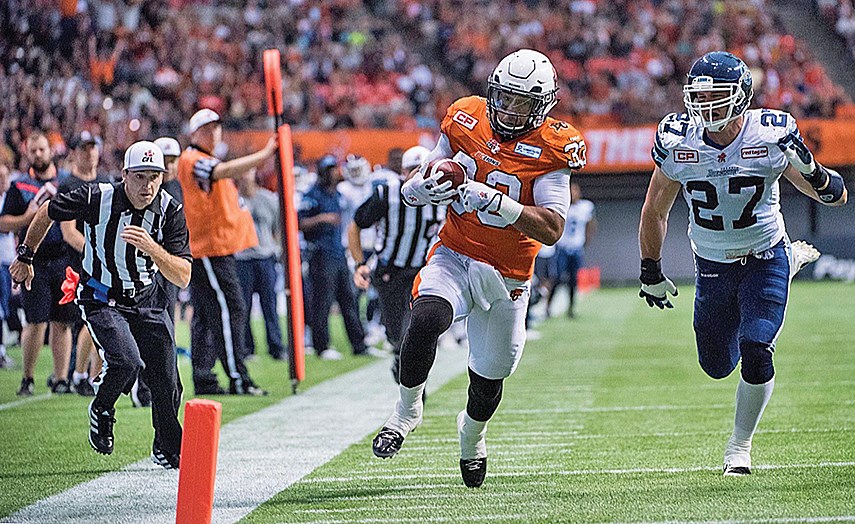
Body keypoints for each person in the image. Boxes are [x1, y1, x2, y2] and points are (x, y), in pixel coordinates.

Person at [371, 49, 587, 488]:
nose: (508, 109)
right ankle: (406, 412)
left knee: (490, 377)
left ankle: (472, 435)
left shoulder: (553, 147)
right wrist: (419, 190)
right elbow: (431, 170)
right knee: (427, 317)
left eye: (521, 103)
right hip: (454, 250)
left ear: (542, 106)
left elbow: (551, 228)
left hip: (507, 274)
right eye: (503, 98)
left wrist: (498, 203)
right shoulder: (465, 116)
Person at [638, 51, 848, 476]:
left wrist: (814, 170)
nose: (706, 106)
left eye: (716, 95)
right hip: (713, 261)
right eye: (699, 97)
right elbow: (654, 211)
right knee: (716, 365)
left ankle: (740, 445)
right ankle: (788, 263)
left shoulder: (769, 136)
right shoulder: (680, 141)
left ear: (742, 96)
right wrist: (651, 270)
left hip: (764, 253)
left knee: (756, 346)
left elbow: (834, 195)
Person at [9, 141, 192, 468]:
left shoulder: (170, 210)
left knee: (168, 382)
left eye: (154, 176)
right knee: (126, 362)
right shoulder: (98, 197)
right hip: (101, 295)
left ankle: (166, 447)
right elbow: (48, 211)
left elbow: (183, 275)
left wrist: (153, 248)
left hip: (147, 298)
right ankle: (102, 407)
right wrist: (26, 255)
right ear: (124, 175)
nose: (147, 185)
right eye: (139, 177)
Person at [178, 109, 276, 396]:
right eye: (206, 129)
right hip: (208, 249)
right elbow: (221, 173)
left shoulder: (202, 159)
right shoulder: (193, 160)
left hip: (214, 248)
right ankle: (238, 377)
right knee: (231, 309)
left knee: (207, 316)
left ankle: (205, 376)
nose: (213, 134)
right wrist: (264, 155)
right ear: (195, 133)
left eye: (216, 128)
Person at [350, 145, 446, 382]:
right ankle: (400, 357)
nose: (418, 175)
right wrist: (360, 263)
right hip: (389, 272)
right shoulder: (387, 194)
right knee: (396, 335)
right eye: (413, 170)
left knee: (416, 331)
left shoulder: (443, 195)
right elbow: (355, 225)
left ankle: (414, 384)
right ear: (403, 172)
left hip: (422, 272)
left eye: (423, 169)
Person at [0, 132, 76, 395]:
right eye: (33, 151)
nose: (38, 155)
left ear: (50, 150)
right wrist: (27, 218)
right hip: (33, 260)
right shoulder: (19, 185)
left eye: (42, 149)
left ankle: (61, 378)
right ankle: (28, 377)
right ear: (27, 153)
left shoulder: (66, 181)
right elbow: (3, 221)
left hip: (64, 258)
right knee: (35, 321)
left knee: (63, 321)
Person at [298, 155, 370, 360]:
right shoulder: (312, 195)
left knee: (349, 299)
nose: (333, 173)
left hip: (337, 252)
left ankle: (359, 344)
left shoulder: (337, 194)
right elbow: (299, 223)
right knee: (322, 302)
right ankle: (322, 346)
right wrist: (322, 219)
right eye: (329, 170)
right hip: (320, 253)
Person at [58, 131, 111, 397]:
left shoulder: (106, 181)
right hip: (78, 263)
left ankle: (93, 376)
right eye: (84, 148)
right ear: (76, 152)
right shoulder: (68, 184)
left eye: (93, 148)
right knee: (88, 320)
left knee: (103, 320)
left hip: (103, 262)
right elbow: (68, 232)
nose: (90, 153)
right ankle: (78, 374)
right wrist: (97, 250)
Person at [235, 168, 286, 360]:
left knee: (270, 305)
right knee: (244, 306)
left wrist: (275, 248)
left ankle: (276, 346)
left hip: (265, 257)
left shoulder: (268, 199)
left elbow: (277, 227)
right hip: (242, 258)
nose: (245, 177)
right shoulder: (233, 200)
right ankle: (248, 348)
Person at [548, 182, 596, 318]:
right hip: (562, 247)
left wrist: (585, 241)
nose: (573, 194)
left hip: (576, 248)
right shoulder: (562, 206)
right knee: (556, 278)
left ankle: (571, 309)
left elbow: (590, 224)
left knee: (573, 280)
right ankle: (548, 306)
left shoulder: (586, 206)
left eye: (575, 191)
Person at [0, 161, 15, 369]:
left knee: (4, 308)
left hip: (7, 261)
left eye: (4, 176)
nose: (3, 181)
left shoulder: (9, 199)